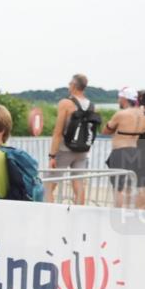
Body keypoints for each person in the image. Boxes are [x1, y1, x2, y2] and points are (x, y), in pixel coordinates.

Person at [104, 86, 145, 208]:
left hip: (120, 151)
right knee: (129, 187)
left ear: (124, 98)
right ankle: (127, 213)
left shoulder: (121, 114)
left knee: (118, 188)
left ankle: (117, 213)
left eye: (119, 98)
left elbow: (105, 131)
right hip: (135, 151)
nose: (118, 101)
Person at [47, 74, 92, 204]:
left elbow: (58, 131)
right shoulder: (91, 105)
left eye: (69, 84)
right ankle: (79, 216)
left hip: (64, 149)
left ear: (73, 85)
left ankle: (50, 215)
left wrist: (52, 156)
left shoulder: (66, 103)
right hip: (83, 151)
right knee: (78, 184)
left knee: (48, 186)